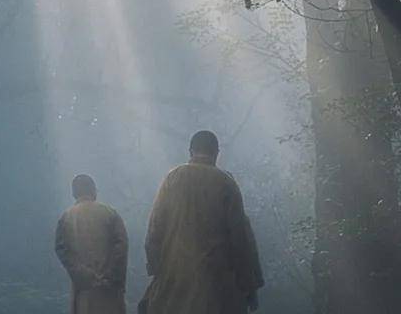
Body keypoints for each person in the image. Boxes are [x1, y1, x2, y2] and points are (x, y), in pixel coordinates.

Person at [139, 131, 263, 314]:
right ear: (216, 153)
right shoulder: (226, 183)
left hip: (174, 284)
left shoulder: (172, 179)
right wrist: (249, 285)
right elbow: (240, 240)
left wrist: (158, 271)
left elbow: (153, 232)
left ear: (190, 151)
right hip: (217, 288)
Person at [55, 174, 129, 314]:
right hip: (109, 290)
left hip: (83, 290)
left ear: (74, 193)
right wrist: (110, 275)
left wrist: (82, 275)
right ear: (93, 190)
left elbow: (62, 251)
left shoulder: (66, 218)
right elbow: (121, 246)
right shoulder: (110, 214)